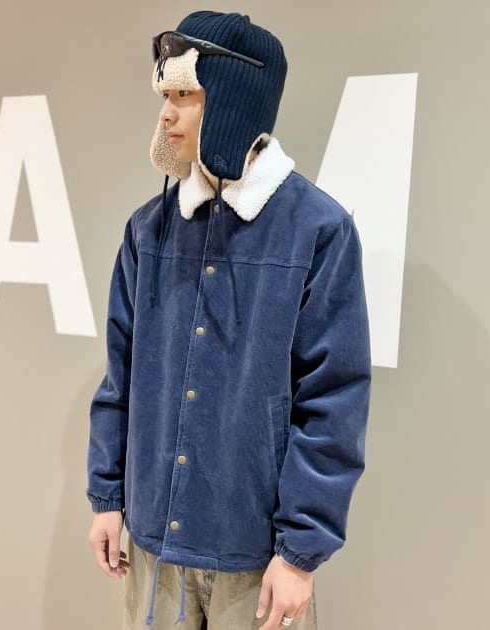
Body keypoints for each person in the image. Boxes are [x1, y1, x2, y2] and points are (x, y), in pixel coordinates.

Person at [86, 11, 371, 630]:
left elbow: (334, 400)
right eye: (164, 96)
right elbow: (119, 377)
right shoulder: (148, 230)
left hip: (256, 561)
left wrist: (300, 552)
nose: (166, 114)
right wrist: (108, 496)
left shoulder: (318, 231)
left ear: (234, 99)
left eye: (183, 96)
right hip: (154, 549)